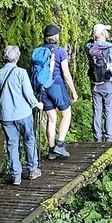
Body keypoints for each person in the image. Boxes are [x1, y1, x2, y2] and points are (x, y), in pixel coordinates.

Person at [0, 46, 43, 185]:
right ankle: (32, 170)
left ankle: (16, 176)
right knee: (29, 140)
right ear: (17, 58)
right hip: (23, 114)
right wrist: (37, 104)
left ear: (5, 57)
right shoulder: (21, 72)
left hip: (7, 116)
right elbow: (28, 94)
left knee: (12, 144)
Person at [31, 26, 77, 159]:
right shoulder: (60, 51)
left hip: (41, 88)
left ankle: (51, 150)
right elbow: (66, 74)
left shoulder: (38, 51)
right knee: (66, 114)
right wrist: (73, 91)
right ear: (56, 36)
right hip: (56, 85)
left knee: (51, 119)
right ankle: (60, 145)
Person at [85, 24, 112, 142]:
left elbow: (88, 47)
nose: (107, 33)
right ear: (102, 33)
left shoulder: (89, 46)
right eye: (105, 31)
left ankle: (97, 136)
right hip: (108, 82)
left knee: (97, 110)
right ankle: (109, 136)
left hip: (95, 82)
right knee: (109, 110)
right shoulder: (110, 48)